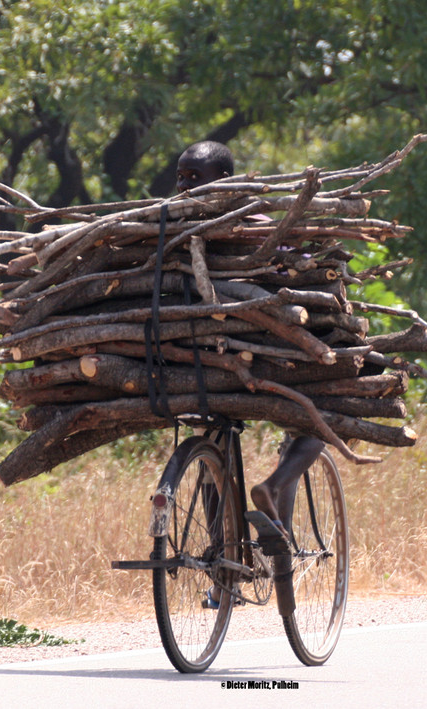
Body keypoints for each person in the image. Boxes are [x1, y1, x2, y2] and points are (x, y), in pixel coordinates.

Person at [174, 140, 324, 566]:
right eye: (181, 176)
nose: (184, 186)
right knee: (319, 418)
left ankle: (224, 558)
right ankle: (274, 486)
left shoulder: (165, 228)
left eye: (193, 177)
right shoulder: (258, 224)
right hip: (261, 362)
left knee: (210, 440)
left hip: (203, 362)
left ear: (225, 182)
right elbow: (301, 267)